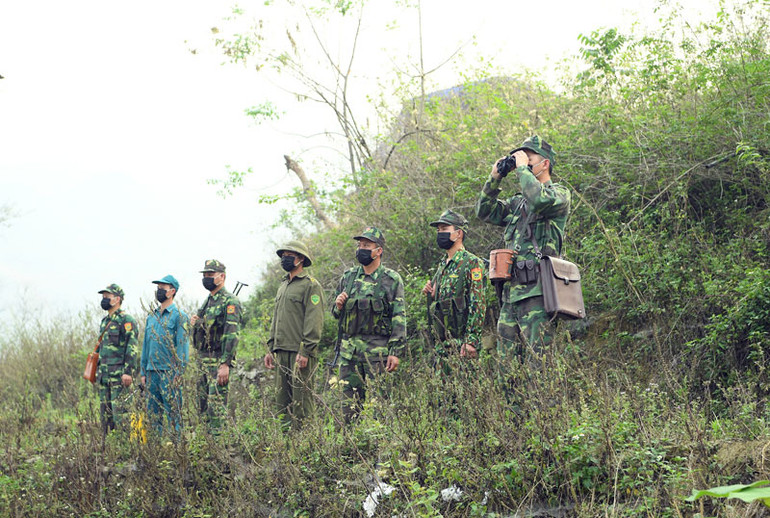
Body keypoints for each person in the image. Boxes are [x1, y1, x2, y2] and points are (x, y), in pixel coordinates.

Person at [475, 135, 571, 365]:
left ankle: (544, 403)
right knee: (507, 368)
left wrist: (521, 170)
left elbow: (539, 200)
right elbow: (484, 211)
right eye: (522, 159)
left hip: (540, 292)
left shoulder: (558, 194)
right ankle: (513, 403)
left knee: (540, 365)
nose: (524, 163)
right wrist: (494, 177)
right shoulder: (518, 204)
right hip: (512, 294)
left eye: (529, 158)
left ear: (545, 163)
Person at [332, 226, 406, 423]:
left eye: (366, 245)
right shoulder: (348, 278)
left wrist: (395, 351)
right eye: (359, 245)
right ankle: (349, 450)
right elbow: (335, 315)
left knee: (380, 410)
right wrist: (338, 305)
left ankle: (380, 450)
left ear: (378, 250)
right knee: (347, 411)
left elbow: (398, 317)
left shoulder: (391, 280)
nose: (361, 249)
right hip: (349, 355)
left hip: (377, 356)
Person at [264, 241, 325, 428]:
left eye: (289, 255)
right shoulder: (283, 285)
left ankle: (305, 448)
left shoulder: (311, 286)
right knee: (282, 405)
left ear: (300, 259)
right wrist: (270, 348)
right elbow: (276, 318)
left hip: (300, 354)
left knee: (302, 406)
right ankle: (286, 448)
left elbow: (314, 320)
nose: (285, 259)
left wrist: (306, 351)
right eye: (283, 255)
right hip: (281, 351)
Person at [422, 210, 487, 365]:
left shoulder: (472, 263)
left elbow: (478, 303)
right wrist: (431, 293)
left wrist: (471, 340)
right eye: (438, 230)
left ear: (459, 234)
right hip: (441, 347)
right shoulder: (441, 266)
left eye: (444, 229)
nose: (440, 233)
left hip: (462, 346)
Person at [190, 259, 243, 434]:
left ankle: (220, 449)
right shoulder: (208, 301)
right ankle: (206, 448)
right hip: (203, 361)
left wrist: (225, 364)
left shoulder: (230, 301)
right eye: (205, 275)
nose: (206, 278)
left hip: (218, 361)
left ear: (222, 277)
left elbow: (231, 334)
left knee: (216, 410)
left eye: (210, 275)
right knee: (203, 407)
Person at [140, 275, 189, 439]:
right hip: (151, 373)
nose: (159, 291)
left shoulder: (179, 316)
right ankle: (155, 453)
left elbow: (182, 347)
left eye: (163, 288)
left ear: (172, 291)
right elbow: (145, 346)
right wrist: (143, 373)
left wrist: (179, 372)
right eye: (158, 287)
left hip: (169, 372)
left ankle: (177, 452)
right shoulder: (151, 317)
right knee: (153, 415)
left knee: (174, 414)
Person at [96, 283, 139, 435]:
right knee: (105, 416)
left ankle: (125, 449)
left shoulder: (126, 320)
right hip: (104, 377)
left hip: (119, 376)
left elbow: (132, 347)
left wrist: (128, 372)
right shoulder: (104, 321)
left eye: (107, 297)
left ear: (117, 299)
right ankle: (108, 450)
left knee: (121, 415)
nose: (104, 299)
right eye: (103, 297)